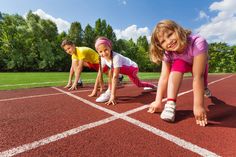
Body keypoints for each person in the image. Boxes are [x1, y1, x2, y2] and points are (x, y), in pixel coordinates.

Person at [147, 19, 211, 127]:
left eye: (170, 35)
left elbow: (197, 76)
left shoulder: (198, 42)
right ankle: (170, 104)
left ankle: (205, 87)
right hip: (183, 63)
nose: (168, 41)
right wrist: (158, 101)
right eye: (163, 41)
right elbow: (164, 77)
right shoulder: (168, 53)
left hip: (199, 63)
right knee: (178, 63)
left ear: (177, 30)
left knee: (202, 82)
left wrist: (198, 106)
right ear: (160, 46)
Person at [91, 37, 157, 105]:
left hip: (133, 68)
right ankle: (153, 86)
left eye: (106, 50)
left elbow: (115, 77)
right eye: (100, 52)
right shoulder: (103, 58)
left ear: (110, 48)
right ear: (97, 52)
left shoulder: (116, 57)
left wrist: (113, 96)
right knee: (139, 84)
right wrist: (95, 89)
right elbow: (99, 73)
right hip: (122, 69)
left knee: (111, 70)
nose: (104, 53)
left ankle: (109, 92)